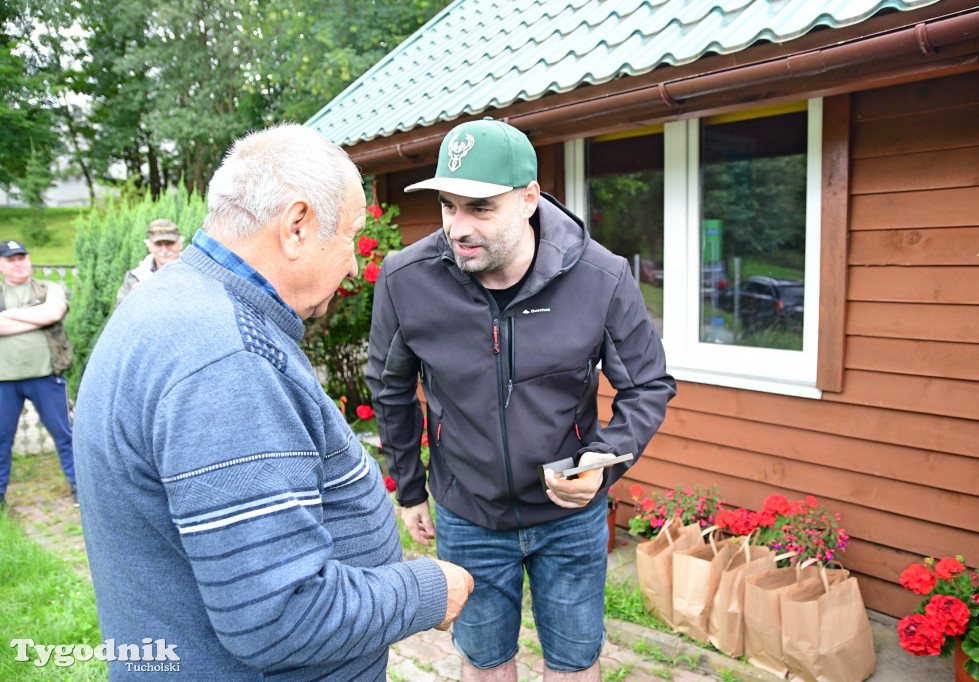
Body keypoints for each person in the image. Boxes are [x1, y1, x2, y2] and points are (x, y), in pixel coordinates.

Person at [73, 123, 473, 681]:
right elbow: (280, 617)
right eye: (352, 238)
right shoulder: (226, 360)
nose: (357, 265)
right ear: (297, 226)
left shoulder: (170, 301)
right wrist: (430, 588)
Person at [366, 117, 677, 681]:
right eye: (447, 206)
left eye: (479, 208)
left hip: (570, 519)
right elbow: (390, 390)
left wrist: (600, 464)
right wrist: (409, 488)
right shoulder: (405, 279)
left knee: (575, 664)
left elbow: (647, 385)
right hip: (469, 515)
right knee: (484, 663)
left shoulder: (601, 278)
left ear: (529, 199)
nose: (457, 227)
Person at [0, 240, 76, 509]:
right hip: (4, 381)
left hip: (46, 375)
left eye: (22, 257)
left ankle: (79, 487)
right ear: (1, 265)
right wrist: (34, 315)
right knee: (0, 440)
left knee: (65, 434)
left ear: (29, 259)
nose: (18, 263)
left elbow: (53, 312)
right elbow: (42, 316)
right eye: (11, 259)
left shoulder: (48, 288)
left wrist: (8, 316)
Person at [114, 218, 184, 306]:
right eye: (158, 244)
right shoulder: (134, 277)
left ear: (180, 244)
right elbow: (119, 314)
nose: (164, 250)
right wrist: (132, 299)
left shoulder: (193, 274)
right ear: (149, 247)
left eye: (169, 243)